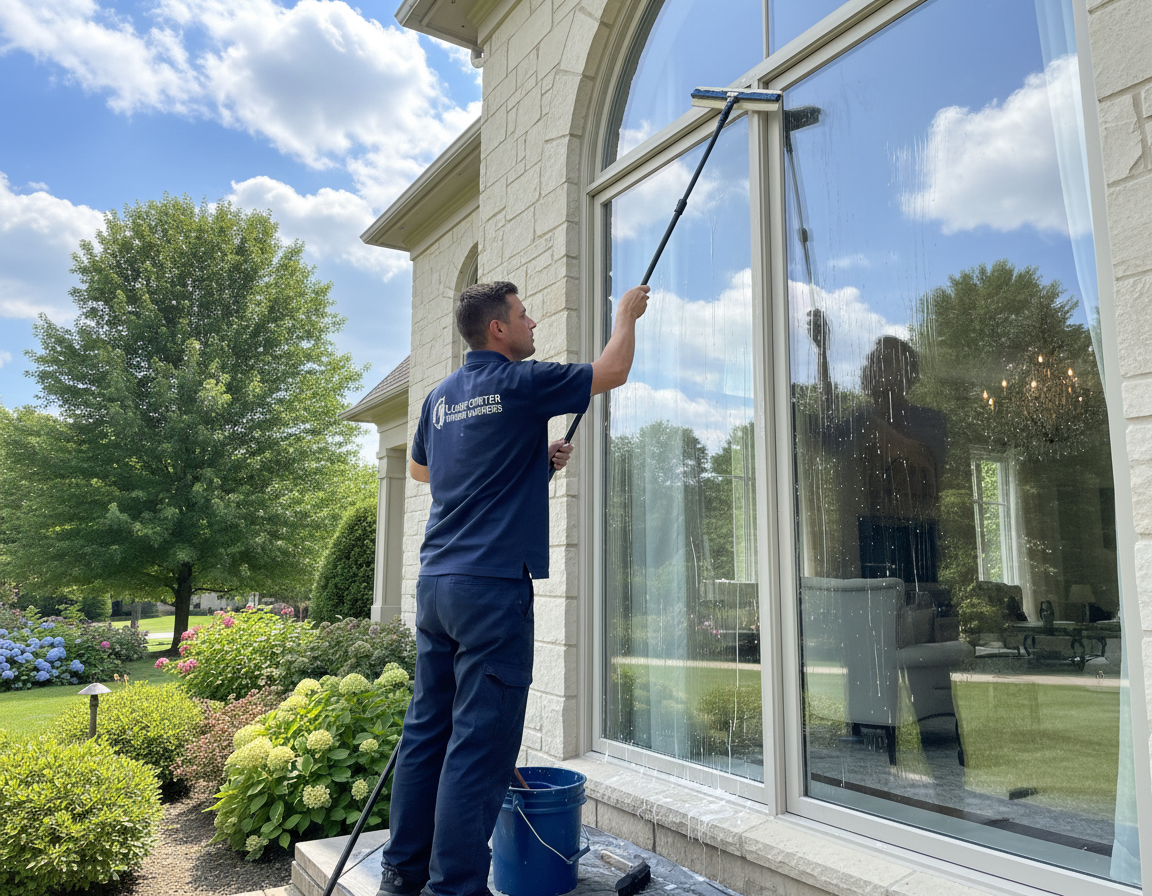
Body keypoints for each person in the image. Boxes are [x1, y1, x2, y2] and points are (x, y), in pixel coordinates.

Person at [378, 280, 650, 896]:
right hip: (492, 592)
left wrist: (527, 458)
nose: (532, 325)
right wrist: (625, 314)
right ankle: (456, 889)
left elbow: (424, 469)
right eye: (524, 316)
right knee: (478, 749)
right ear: (498, 329)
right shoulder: (521, 384)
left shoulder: (441, 398)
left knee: (426, 730)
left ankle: (401, 874)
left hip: (437, 586)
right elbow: (614, 370)